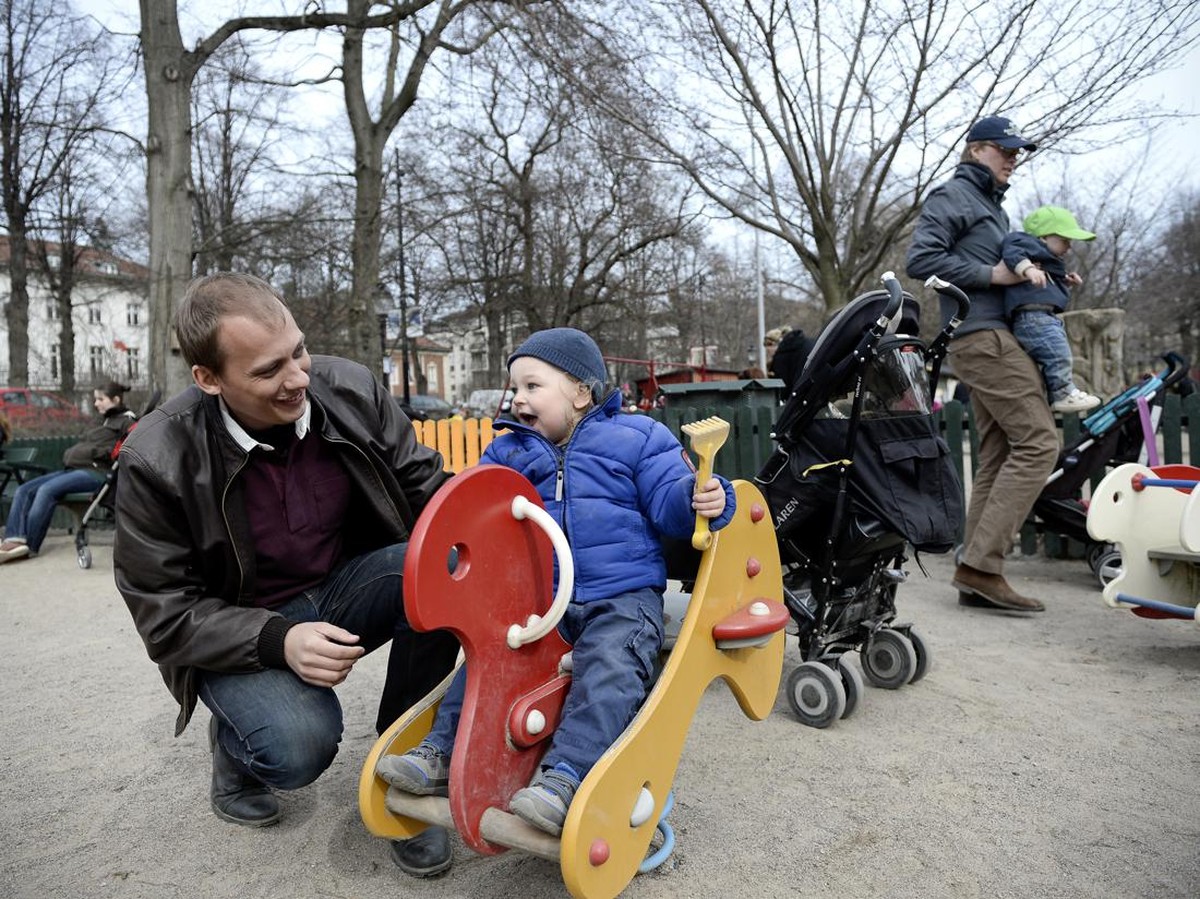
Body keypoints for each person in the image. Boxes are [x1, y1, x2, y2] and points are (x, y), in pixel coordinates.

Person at [111, 273, 460, 878]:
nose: (299, 378)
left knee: (443, 567)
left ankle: (407, 761)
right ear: (208, 379)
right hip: (244, 625)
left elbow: (432, 492)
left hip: (346, 586)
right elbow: (163, 612)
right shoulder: (155, 457)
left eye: (298, 351)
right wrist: (278, 639)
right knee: (299, 749)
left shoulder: (349, 389)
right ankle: (235, 752)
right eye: (269, 370)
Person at [376, 327, 736, 836]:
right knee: (491, 663)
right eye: (515, 388)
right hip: (541, 603)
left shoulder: (638, 438)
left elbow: (669, 502)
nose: (518, 399)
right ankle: (442, 751)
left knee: (611, 666)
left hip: (621, 597)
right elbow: (477, 513)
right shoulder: (510, 454)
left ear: (581, 392)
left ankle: (564, 778)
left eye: (532, 386)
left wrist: (701, 497)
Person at [905, 114, 1056, 613]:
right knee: (1039, 442)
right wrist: (989, 274)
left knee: (999, 451)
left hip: (994, 334)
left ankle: (975, 572)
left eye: (1017, 152)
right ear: (976, 151)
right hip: (981, 336)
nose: (1013, 158)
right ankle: (982, 566)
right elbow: (921, 259)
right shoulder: (954, 196)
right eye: (1004, 150)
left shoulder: (992, 208)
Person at [0, 381, 135, 564]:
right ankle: (13, 541)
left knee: (46, 490)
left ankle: (30, 546)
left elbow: (122, 450)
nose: (95, 403)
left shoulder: (127, 421)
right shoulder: (103, 421)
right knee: (24, 490)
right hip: (75, 470)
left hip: (95, 473)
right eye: (95, 399)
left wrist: (96, 453)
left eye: (100, 399)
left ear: (116, 399)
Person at [1002, 205, 1101, 413]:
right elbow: (1013, 253)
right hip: (1032, 316)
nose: (1069, 246)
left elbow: (1046, 278)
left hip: (1044, 316)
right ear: (1045, 237)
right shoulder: (1023, 241)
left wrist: (1065, 280)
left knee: (1055, 354)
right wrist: (1027, 269)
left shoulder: (1048, 261)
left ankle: (1056, 391)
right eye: (1065, 240)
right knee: (1058, 354)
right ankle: (1064, 393)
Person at [766, 326, 816, 390]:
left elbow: (782, 385)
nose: (767, 349)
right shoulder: (807, 345)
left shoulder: (782, 356)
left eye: (770, 344)